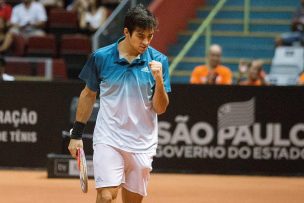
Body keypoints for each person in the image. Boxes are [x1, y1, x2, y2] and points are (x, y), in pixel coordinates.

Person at [68, 4, 170, 203]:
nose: (146, 42)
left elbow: (160, 108)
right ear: (126, 32)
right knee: (106, 197)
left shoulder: (159, 61)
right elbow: (88, 95)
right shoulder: (101, 58)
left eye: (150, 36)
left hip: (142, 143)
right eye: (140, 35)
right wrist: (77, 135)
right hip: (109, 138)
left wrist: (159, 81)